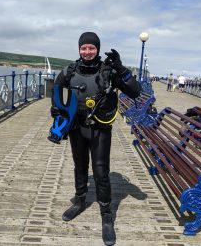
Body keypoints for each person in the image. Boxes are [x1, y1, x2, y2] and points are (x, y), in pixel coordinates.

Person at [51, 32, 141, 246]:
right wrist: (58, 116)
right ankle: (80, 201)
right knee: (79, 166)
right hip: (76, 128)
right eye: (84, 48)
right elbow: (55, 91)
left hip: (100, 128)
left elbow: (135, 92)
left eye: (91, 48)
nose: (87, 52)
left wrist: (121, 68)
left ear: (98, 50)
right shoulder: (70, 70)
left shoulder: (108, 71)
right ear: (79, 49)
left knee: (101, 171)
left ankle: (106, 214)